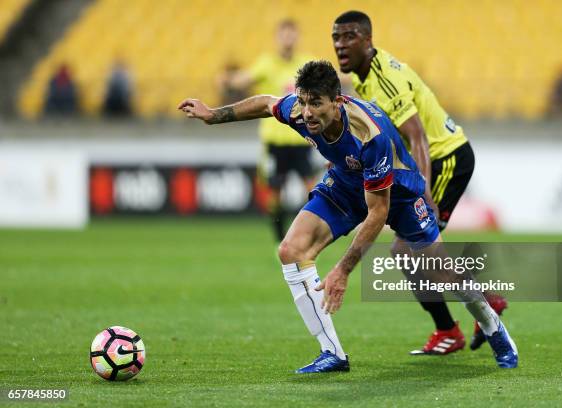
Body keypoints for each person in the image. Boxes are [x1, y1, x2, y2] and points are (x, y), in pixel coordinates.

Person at [178, 60, 518, 372]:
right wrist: (213, 115)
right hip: (344, 181)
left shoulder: (370, 136)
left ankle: (492, 326)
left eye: (316, 104)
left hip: (397, 191)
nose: (307, 112)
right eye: (303, 101)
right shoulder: (298, 109)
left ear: (337, 102)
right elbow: (267, 102)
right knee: (291, 250)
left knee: (441, 273)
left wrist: (342, 269)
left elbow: (378, 212)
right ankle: (333, 354)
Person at [331, 10, 507, 354]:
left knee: (412, 251)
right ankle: (461, 320)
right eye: (336, 37)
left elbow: (419, 138)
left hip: (447, 159)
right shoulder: (365, 77)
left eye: (348, 36)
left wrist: (422, 193)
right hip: (438, 160)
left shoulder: (383, 79)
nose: (340, 45)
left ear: (368, 41)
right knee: (411, 252)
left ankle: (468, 317)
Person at [218, 19, 316, 241]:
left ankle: (308, 235)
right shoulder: (266, 63)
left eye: (292, 35)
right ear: (277, 38)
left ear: (297, 37)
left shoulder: (306, 63)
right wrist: (228, 81)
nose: (288, 39)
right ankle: (280, 240)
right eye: (284, 35)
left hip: (301, 139)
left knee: (313, 190)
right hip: (274, 141)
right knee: (275, 194)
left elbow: (332, 78)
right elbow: (244, 80)